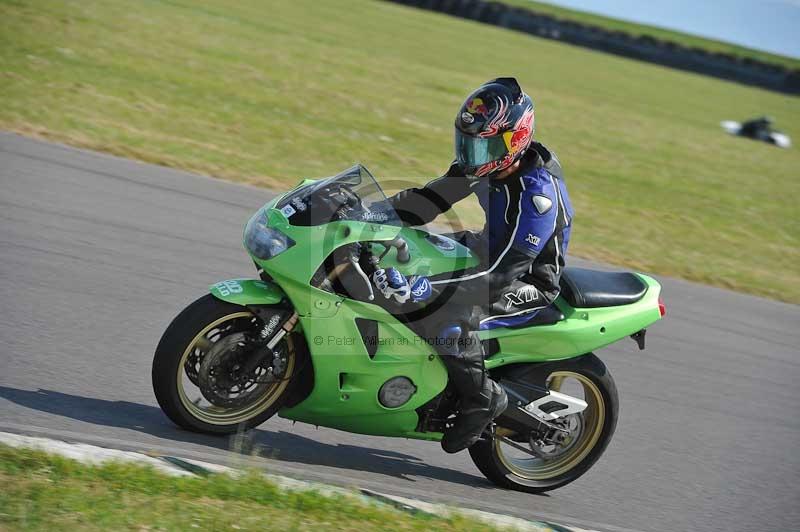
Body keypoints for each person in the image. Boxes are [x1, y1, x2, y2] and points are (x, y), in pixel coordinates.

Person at [371, 77, 574, 453]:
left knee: (444, 312)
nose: (472, 154)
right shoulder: (487, 164)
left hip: (527, 279)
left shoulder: (536, 196)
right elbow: (430, 200)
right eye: (468, 143)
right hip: (486, 252)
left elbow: (501, 273)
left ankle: (484, 398)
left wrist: (430, 290)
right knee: (403, 253)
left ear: (514, 141)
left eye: (484, 146)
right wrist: (371, 214)